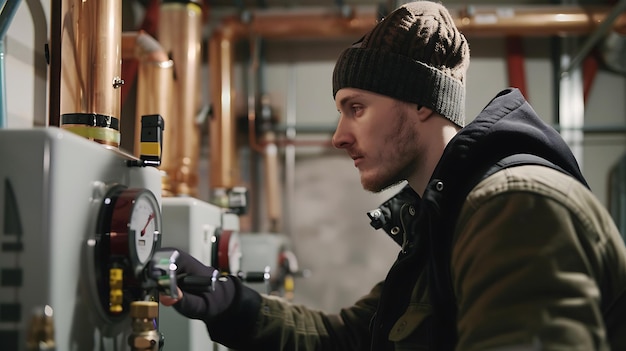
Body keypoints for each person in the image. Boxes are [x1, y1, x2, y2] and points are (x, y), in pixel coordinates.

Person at [159, 1, 626, 350]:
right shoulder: (446, 222)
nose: (339, 136)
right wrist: (227, 302)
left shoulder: (514, 207)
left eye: (356, 108)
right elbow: (348, 339)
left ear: (424, 102)